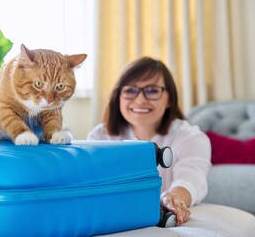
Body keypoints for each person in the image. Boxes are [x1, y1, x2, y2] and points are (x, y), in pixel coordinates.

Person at [87, 57, 211, 226]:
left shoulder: (190, 137)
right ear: (118, 97)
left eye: (152, 91)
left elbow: (191, 178)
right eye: (130, 90)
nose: (139, 100)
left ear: (169, 99)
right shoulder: (100, 136)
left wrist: (174, 197)